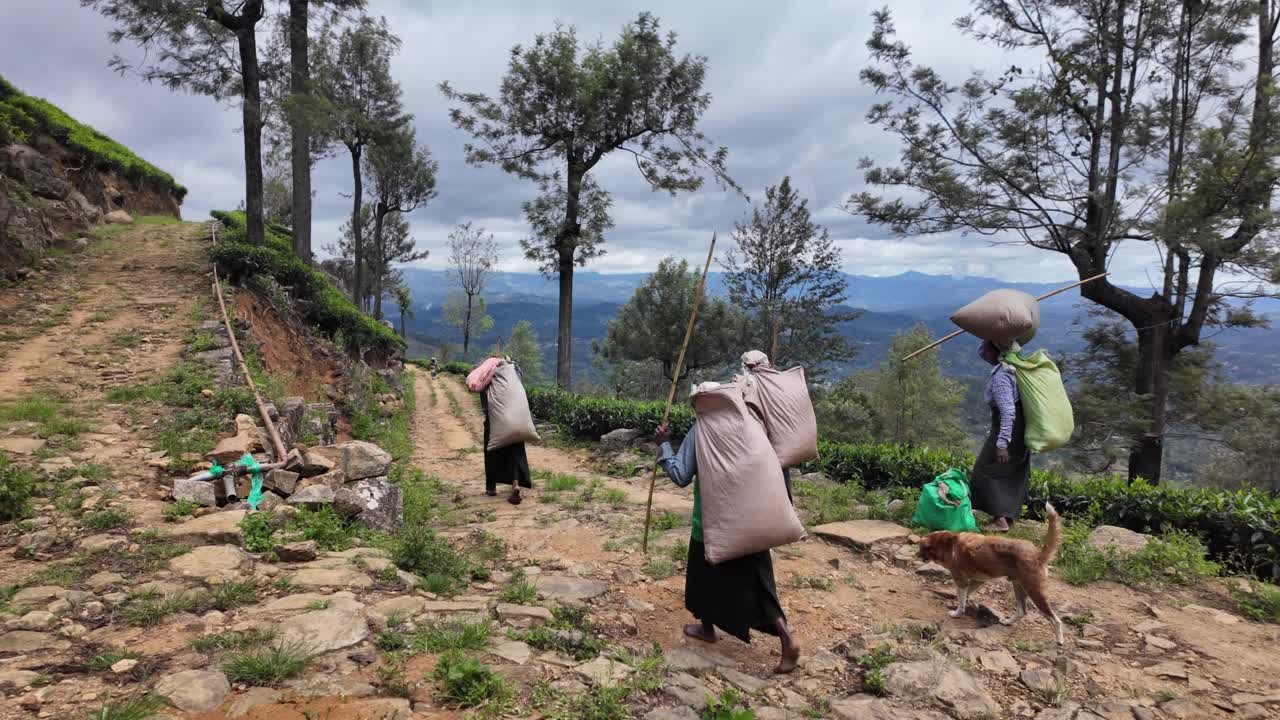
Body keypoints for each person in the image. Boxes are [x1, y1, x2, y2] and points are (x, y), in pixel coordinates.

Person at [656, 411, 801, 674]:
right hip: (753, 525)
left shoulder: (701, 429)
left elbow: (680, 475)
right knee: (760, 588)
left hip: (711, 525)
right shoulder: (754, 427)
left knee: (702, 579)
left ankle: (707, 628)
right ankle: (785, 638)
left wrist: (664, 444)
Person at [969, 339, 1030, 532]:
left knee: (983, 470)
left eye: (986, 347)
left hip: (1008, 428)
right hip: (1019, 428)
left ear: (993, 351)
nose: (982, 351)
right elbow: (981, 351)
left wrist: (1002, 443)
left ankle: (1000, 521)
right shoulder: (1012, 369)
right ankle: (1007, 517)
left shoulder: (1002, 376)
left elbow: (1008, 412)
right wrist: (992, 336)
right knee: (1010, 471)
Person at [480, 358, 531, 504]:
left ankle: (491, 488)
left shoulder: (486, 375)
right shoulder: (513, 373)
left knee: (490, 450)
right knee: (515, 450)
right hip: (515, 419)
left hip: (494, 420)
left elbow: (479, 391)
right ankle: (515, 485)